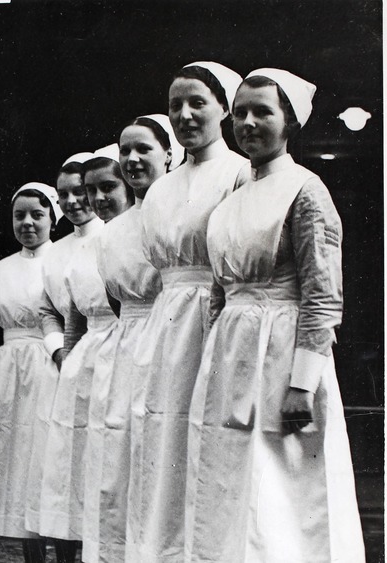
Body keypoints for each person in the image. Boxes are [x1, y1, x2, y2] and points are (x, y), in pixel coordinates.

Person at [185, 68, 364, 562]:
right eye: (239, 112)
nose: (247, 122)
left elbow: (323, 294)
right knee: (230, 487)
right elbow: (221, 291)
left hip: (284, 354)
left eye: (262, 111)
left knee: (285, 495)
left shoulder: (306, 190)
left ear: (289, 122)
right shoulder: (229, 202)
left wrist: (302, 383)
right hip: (232, 354)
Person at [129, 61, 249, 563]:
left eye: (197, 101)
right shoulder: (159, 188)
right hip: (166, 323)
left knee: (212, 443)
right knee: (163, 442)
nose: (184, 113)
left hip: (215, 317)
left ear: (223, 107)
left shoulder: (240, 172)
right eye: (176, 103)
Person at [81, 121, 176, 563]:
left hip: (173, 339)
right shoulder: (113, 230)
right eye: (126, 151)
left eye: (144, 149)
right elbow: (118, 303)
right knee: (120, 462)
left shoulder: (180, 212)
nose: (134, 160)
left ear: (168, 155)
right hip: (127, 347)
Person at [0, 183, 62, 563]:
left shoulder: (62, 259)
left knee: (46, 460)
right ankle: (31, 555)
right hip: (9, 373)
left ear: (52, 217)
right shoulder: (1, 269)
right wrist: (0, 367)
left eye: (37, 215)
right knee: (14, 465)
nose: (27, 223)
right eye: (19, 215)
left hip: (49, 365)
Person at [24, 151, 100, 563]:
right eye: (63, 195)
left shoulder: (112, 235)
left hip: (108, 361)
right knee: (67, 469)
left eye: (81, 192)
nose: (73, 202)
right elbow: (48, 310)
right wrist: (60, 353)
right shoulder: (56, 251)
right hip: (68, 368)